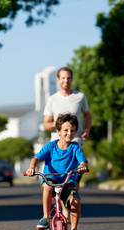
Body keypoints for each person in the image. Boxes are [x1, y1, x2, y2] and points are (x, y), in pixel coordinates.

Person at [26, 113, 88, 230]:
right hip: (51, 178)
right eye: (65, 130)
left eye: (72, 130)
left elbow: (82, 160)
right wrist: (32, 167)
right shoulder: (50, 146)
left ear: (76, 131)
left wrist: (82, 166)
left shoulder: (75, 147)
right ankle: (46, 217)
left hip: (67, 180)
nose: (69, 133)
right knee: (47, 187)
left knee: (75, 201)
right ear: (58, 131)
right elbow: (36, 158)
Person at [43, 66, 91, 220]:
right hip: (57, 145)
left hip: (75, 142)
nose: (66, 81)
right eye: (62, 78)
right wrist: (57, 124)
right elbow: (45, 124)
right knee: (56, 179)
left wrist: (87, 129)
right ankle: (61, 211)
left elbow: (87, 114)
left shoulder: (80, 96)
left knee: (74, 177)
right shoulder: (52, 99)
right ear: (58, 80)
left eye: (68, 78)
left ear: (72, 79)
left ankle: (70, 204)